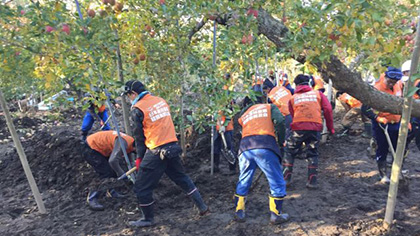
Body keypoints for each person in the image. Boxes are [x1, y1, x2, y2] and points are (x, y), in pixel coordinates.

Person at [124, 80, 208, 228]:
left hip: (156, 151)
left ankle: (148, 219)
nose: (129, 98)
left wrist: (140, 159)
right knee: (181, 178)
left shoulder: (137, 109)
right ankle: (202, 206)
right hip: (172, 146)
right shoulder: (161, 101)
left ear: (134, 94)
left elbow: (139, 138)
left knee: (141, 187)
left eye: (129, 95)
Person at [234, 90, 289, 224]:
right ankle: (276, 214)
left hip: (245, 149)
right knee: (276, 180)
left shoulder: (244, 114)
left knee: (244, 179)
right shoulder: (269, 107)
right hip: (265, 147)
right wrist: (281, 141)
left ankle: (239, 212)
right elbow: (280, 121)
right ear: (264, 99)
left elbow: (239, 128)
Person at [283, 74, 334, 189]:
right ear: (309, 83)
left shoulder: (293, 98)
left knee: (290, 151)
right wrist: (331, 128)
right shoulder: (318, 94)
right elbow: (328, 110)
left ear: (296, 85)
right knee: (312, 152)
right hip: (315, 127)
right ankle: (312, 182)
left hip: (298, 128)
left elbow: (292, 114)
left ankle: (286, 180)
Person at [362, 67, 403, 183]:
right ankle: (383, 174)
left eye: (393, 82)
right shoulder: (376, 89)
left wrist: (407, 121)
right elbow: (365, 108)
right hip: (381, 125)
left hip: (397, 123)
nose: (391, 84)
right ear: (384, 77)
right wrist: (377, 117)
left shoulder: (399, 85)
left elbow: (403, 103)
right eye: (389, 81)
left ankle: (398, 172)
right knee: (382, 149)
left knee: (398, 149)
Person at [82, 130, 136, 210]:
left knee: (112, 171)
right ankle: (92, 198)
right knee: (105, 174)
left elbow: (130, 162)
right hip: (91, 147)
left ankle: (111, 192)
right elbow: (113, 161)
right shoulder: (123, 143)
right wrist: (123, 175)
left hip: (101, 149)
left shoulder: (130, 142)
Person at [268, 79, 293, 150]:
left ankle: (286, 151)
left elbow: (271, 108)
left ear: (268, 89)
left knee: (286, 133)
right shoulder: (282, 88)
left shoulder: (270, 95)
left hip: (285, 113)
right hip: (294, 111)